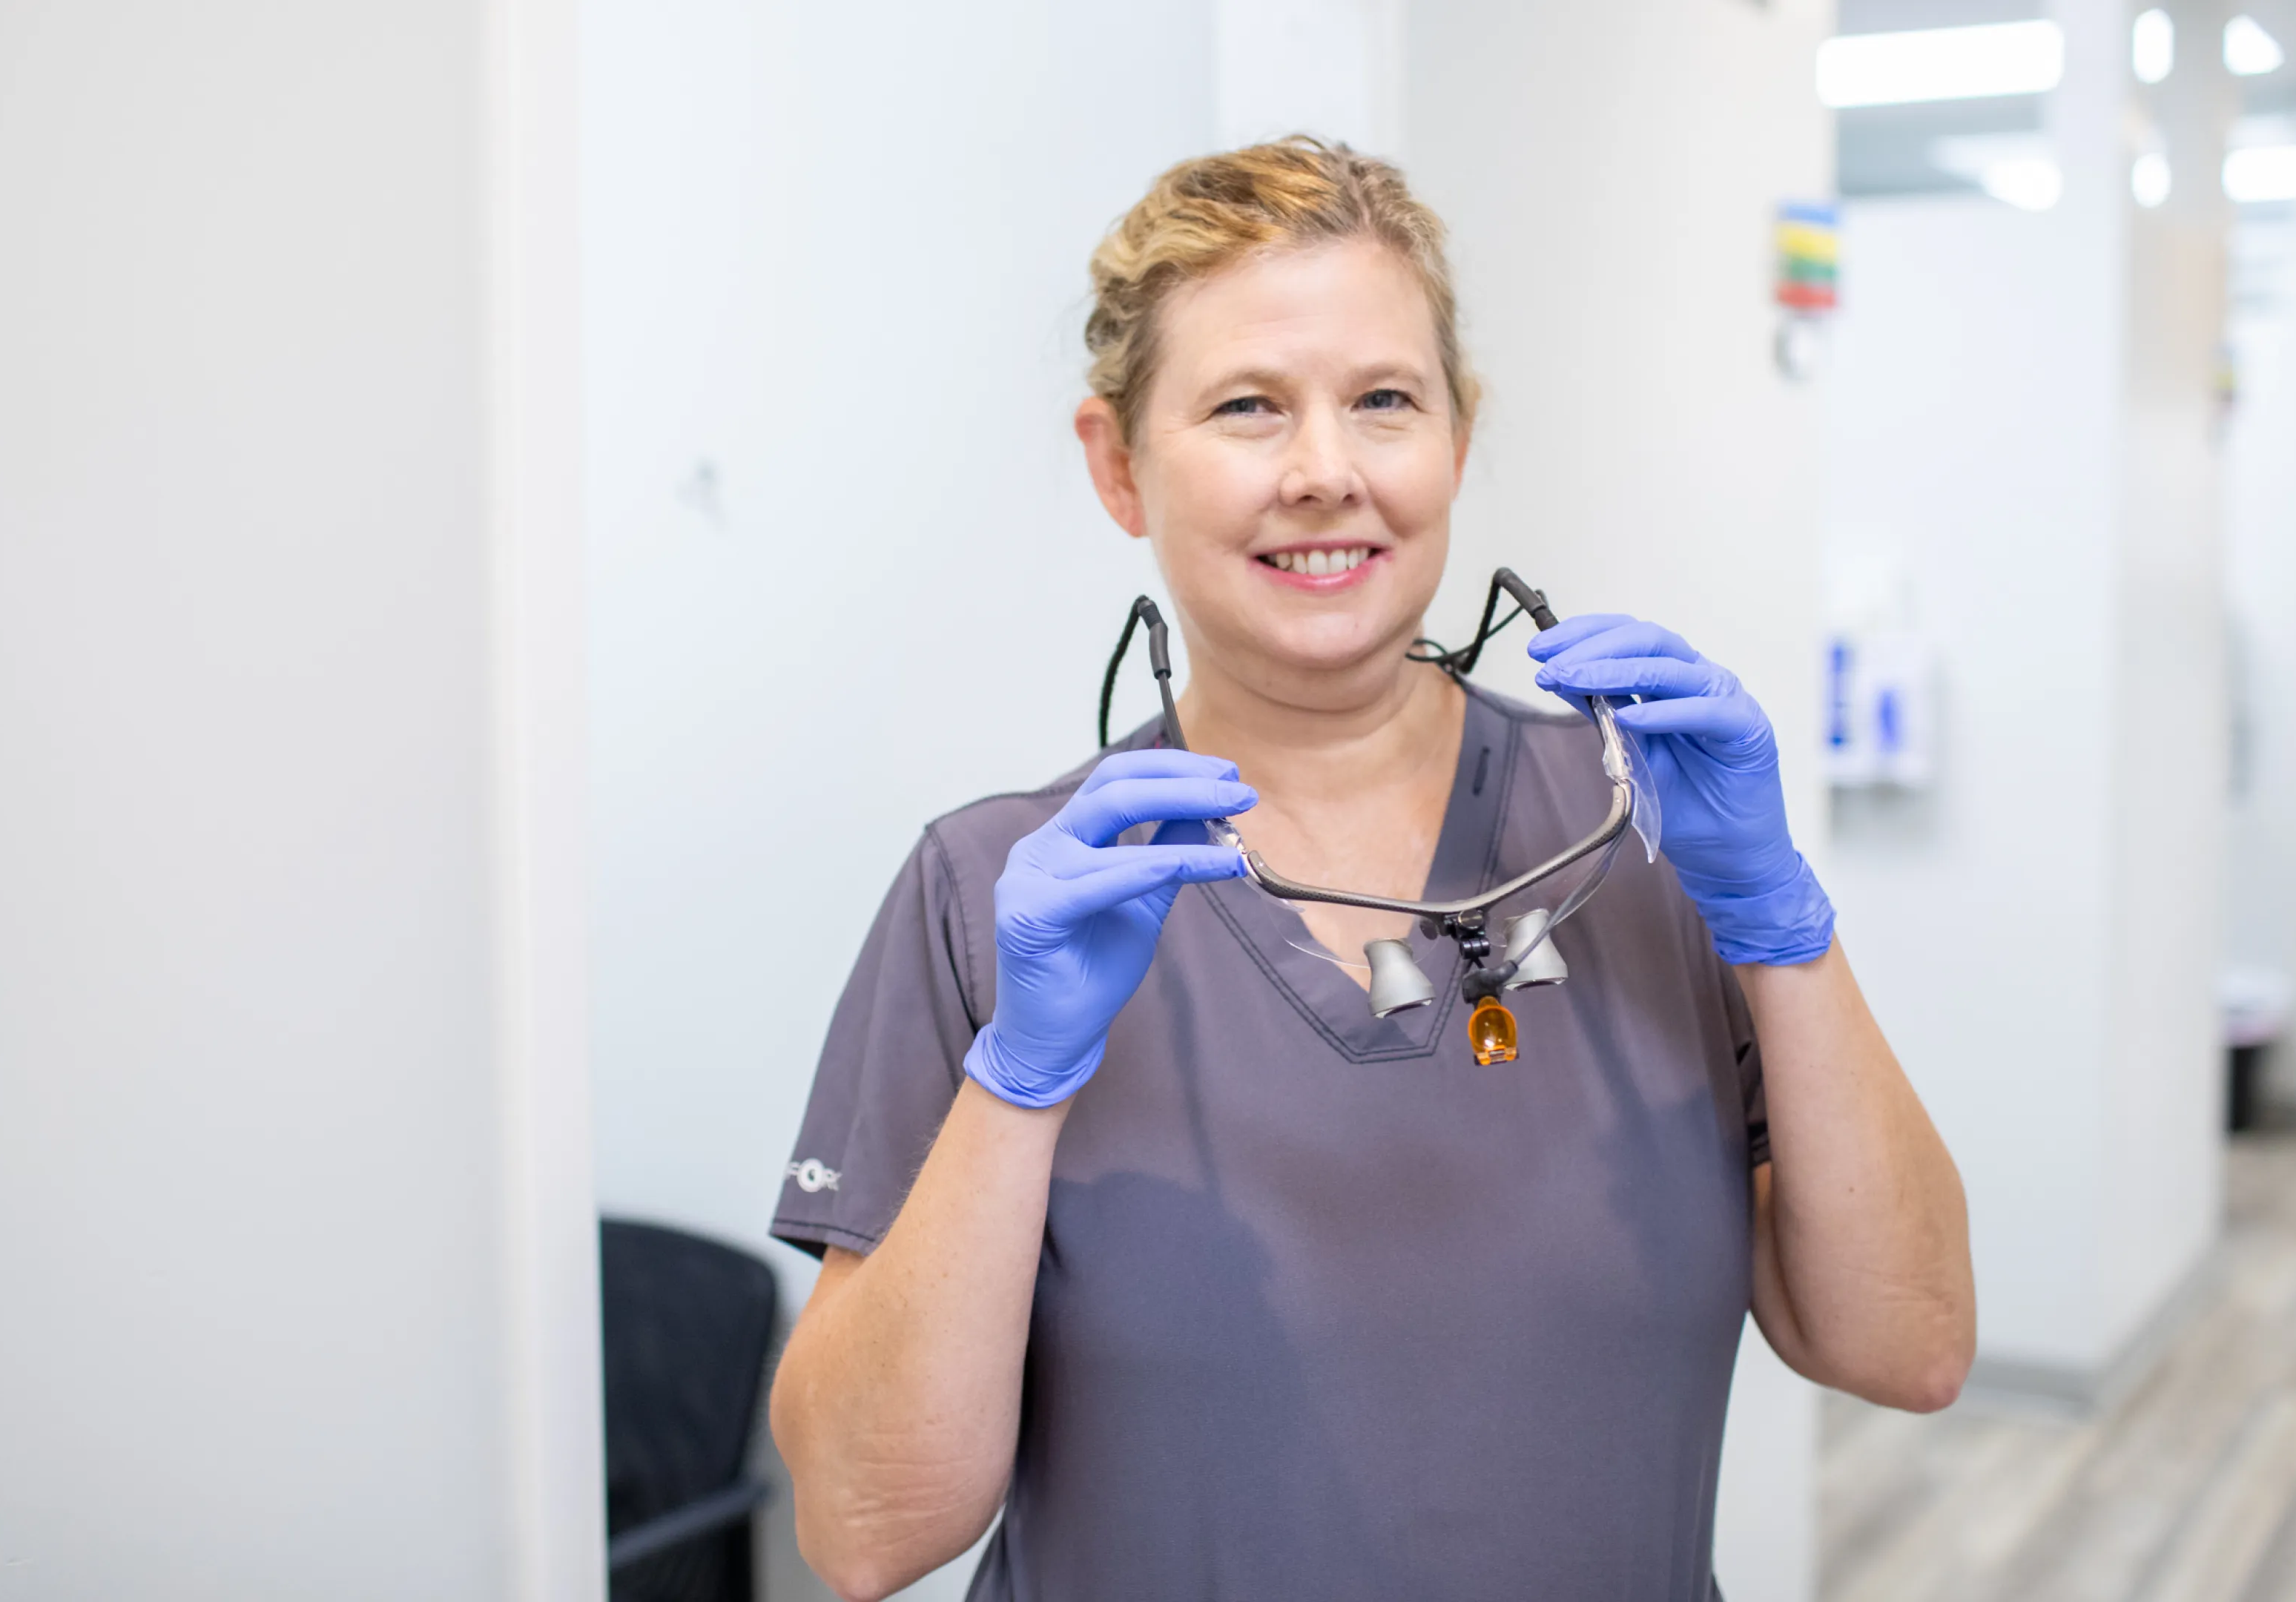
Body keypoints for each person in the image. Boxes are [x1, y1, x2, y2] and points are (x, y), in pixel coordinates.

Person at [766, 137, 1972, 1602]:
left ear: (1459, 437)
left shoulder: (1639, 837)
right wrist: (1019, 1079)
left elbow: (1906, 1346)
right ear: (1118, 463)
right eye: (1247, 408)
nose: (1326, 472)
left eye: (1385, 401)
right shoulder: (1001, 895)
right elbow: (863, 1528)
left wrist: (1779, 920)